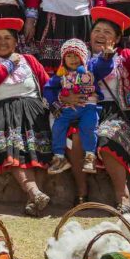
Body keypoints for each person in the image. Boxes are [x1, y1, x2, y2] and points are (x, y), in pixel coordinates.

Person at [64, 7, 130, 213]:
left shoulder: (126, 56)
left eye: (107, 32)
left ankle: (123, 195)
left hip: (119, 112)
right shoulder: (79, 59)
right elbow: (61, 84)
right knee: (73, 138)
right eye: (97, 31)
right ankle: (82, 192)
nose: (100, 35)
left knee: (106, 136)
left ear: (118, 39)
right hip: (87, 111)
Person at [0, 17, 53, 215]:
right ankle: (34, 192)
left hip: (34, 112)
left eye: (8, 38)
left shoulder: (31, 61)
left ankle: (34, 198)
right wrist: (9, 64)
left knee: (37, 148)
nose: (3, 42)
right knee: (14, 144)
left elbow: (48, 87)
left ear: (16, 41)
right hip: (2, 114)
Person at [44, 38, 113, 175]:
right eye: (69, 56)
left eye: (76, 55)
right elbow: (48, 89)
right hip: (67, 109)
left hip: (88, 107)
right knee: (57, 127)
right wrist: (55, 105)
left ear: (83, 56)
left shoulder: (91, 68)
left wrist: (106, 57)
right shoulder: (61, 75)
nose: (73, 59)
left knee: (88, 126)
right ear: (63, 59)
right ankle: (59, 157)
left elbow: (103, 67)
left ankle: (89, 156)